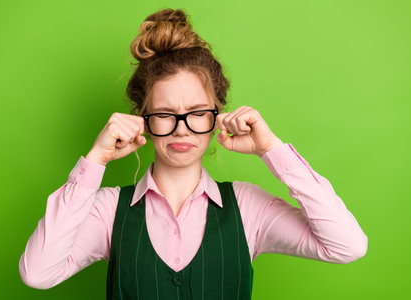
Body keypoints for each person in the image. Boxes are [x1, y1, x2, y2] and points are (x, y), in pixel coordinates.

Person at [19, 8, 368, 300]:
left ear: (217, 116)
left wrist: (271, 149)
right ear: (142, 119)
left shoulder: (248, 207)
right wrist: (95, 160)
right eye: (165, 114)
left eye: (197, 112)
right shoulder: (109, 210)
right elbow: (37, 273)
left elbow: (347, 246)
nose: (181, 128)